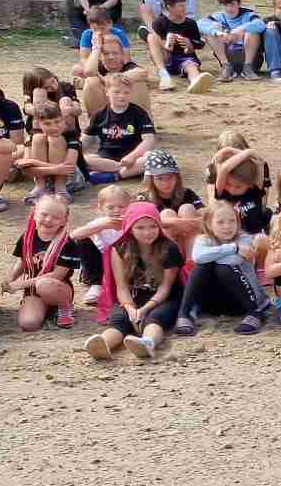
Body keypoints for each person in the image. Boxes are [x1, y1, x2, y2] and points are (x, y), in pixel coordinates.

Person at [87, 202, 182, 361]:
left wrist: (144, 310)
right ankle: (104, 344)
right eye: (140, 228)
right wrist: (131, 309)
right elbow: (121, 287)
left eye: (153, 226)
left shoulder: (169, 248)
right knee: (119, 319)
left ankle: (148, 343)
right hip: (132, 297)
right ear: (129, 227)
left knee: (154, 318)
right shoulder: (120, 248)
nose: (147, 232)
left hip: (163, 298)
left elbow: (166, 288)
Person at [178, 201, 273, 337]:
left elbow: (233, 261)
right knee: (201, 267)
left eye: (232, 221)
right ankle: (184, 313)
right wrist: (233, 248)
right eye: (220, 222)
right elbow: (198, 257)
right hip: (216, 302)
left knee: (222, 268)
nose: (227, 226)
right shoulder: (204, 239)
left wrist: (210, 256)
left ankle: (255, 313)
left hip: (243, 301)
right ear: (209, 224)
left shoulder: (244, 239)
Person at [4, 194, 78, 332]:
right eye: (44, 214)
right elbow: (22, 262)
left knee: (44, 284)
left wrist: (20, 284)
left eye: (56, 217)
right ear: (34, 214)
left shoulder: (67, 243)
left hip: (57, 288)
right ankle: (42, 308)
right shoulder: (27, 237)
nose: (49, 220)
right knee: (28, 323)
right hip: (33, 292)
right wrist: (10, 279)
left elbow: (57, 275)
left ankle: (64, 307)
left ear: (64, 221)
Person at [82, 74, 157, 179]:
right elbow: (85, 140)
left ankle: (112, 176)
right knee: (83, 159)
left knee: (152, 157)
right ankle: (125, 172)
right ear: (107, 92)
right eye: (116, 92)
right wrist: (72, 153)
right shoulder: (99, 115)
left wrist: (132, 156)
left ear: (131, 93)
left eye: (126, 92)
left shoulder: (139, 113)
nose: (122, 96)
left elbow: (149, 140)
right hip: (106, 157)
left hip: (133, 156)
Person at [70, 183, 134, 306]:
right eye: (110, 207)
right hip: (103, 264)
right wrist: (103, 226)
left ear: (129, 206)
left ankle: (131, 284)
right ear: (101, 208)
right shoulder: (100, 222)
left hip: (127, 262)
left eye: (121, 206)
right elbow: (73, 236)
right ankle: (96, 284)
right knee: (84, 238)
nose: (116, 210)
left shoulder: (133, 221)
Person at [206, 130, 274, 236]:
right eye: (229, 184)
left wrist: (237, 152)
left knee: (267, 213)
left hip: (254, 235)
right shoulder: (221, 189)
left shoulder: (254, 189)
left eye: (238, 186)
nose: (232, 189)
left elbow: (257, 159)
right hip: (231, 235)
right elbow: (223, 169)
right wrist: (228, 152)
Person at [75, 33, 158, 115]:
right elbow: (89, 71)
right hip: (104, 110)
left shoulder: (128, 66)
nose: (111, 57)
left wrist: (111, 80)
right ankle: (97, 121)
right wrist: (96, 48)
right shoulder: (98, 67)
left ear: (122, 55)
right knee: (91, 81)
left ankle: (140, 122)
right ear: (100, 56)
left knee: (139, 83)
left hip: (126, 110)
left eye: (115, 53)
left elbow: (142, 72)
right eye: (106, 54)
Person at [16, 100, 81, 203]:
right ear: (38, 123)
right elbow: (25, 168)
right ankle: (40, 187)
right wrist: (57, 168)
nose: (54, 127)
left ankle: (60, 189)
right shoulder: (32, 137)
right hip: (49, 177)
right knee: (38, 138)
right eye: (47, 124)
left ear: (63, 119)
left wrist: (34, 163)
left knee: (56, 139)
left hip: (70, 178)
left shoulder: (71, 135)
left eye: (57, 121)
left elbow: (69, 167)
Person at [138, 150, 203, 252]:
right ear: (151, 180)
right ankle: (173, 260)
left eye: (170, 177)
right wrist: (177, 222)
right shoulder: (143, 198)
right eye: (160, 178)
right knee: (167, 214)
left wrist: (191, 221)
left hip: (188, 235)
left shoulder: (187, 193)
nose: (166, 182)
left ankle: (190, 261)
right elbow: (140, 222)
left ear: (177, 177)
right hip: (161, 240)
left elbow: (205, 213)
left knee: (187, 208)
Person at [150, 0, 215, 94]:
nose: (184, 8)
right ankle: (164, 75)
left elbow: (196, 46)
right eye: (181, 6)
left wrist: (189, 44)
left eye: (185, 5)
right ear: (169, 7)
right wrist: (169, 42)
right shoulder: (160, 23)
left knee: (191, 66)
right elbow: (165, 47)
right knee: (151, 37)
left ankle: (195, 81)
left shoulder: (190, 23)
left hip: (185, 57)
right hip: (166, 57)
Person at [202, 0, 268, 81]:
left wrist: (240, 30)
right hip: (228, 56)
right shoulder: (218, 16)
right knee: (211, 32)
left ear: (239, 3)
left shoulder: (248, 15)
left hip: (250, 58)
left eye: (232, 4)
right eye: (226, 5)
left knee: (252, 31)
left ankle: (247, 68)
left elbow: (261, 24)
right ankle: (226, 67)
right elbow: (200, 24)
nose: (229, 9)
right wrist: (218, 33)